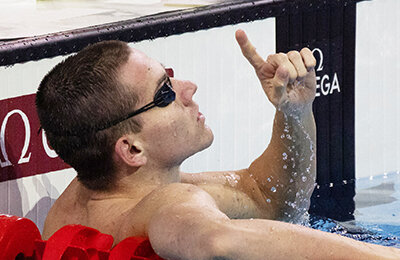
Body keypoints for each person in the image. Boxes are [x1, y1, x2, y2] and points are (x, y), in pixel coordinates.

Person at [36, 29, 400, 259]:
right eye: (165, 92)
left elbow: (269, 199)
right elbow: (218, 240)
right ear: (132, 150)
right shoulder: (168, 204)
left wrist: (294, 113)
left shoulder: (81, 198)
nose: (188, 88)